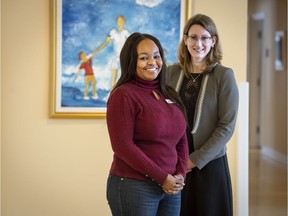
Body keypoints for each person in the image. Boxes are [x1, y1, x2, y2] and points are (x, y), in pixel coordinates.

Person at [106, 32, 189, 216]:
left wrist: (180, 174)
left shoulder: (169, 93)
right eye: (144, 58)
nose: (152, 62)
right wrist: (162, 178)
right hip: (134, 186)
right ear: (131, 61)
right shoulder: (123, 94)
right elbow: (122, 146)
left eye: (156, 56)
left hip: (171, 187)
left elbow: (181, 139)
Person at [166, 14, 239, 216]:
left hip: (209, 164)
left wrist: (193, 161)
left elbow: (226, 126)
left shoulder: (224, 76)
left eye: (205, 37)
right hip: (173, 162)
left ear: (213, 41)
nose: (199, 43)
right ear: (185, 39)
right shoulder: (170, 73)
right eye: (193, 37)